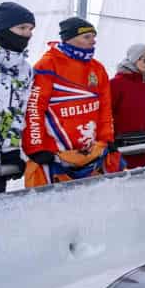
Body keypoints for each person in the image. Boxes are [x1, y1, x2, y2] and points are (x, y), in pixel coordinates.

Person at [22, 17, 124, 188]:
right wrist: (36, 147)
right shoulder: (47, 65)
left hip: (90, 156)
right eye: (87, 36)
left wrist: (107, 138)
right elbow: (33, 109)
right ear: (69, 38)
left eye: (94, 36)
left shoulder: (97, 68)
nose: (93, 40)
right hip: (56, 157)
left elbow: (105, 108)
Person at [0, 2, 35, 196]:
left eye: (30, 29)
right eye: (22, 28)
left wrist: (11, 150)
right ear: (2, 28)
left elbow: (18, 112)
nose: (27, 34)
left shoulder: (24, 69)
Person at [110, 43, 145, 169]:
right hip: (122, 151)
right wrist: (108, 145)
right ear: (133, 59)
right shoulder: (116, 85)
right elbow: (105, 117)